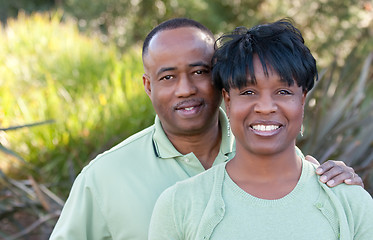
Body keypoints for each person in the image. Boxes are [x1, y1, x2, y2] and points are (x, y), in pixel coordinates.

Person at [50, 18, 363, 240]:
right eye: (168, 77)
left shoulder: (264, 143)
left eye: (199, 71)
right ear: (148, 86)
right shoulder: (105, 177)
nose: (185, 89)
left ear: (222, 80)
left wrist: (344, 187)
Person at [148, 19, 373, 240]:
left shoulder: (349, 201)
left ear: (302, 99)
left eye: (283, 92)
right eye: (248, 92)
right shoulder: (180, 204)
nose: (266, 108)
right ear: (228, 100)